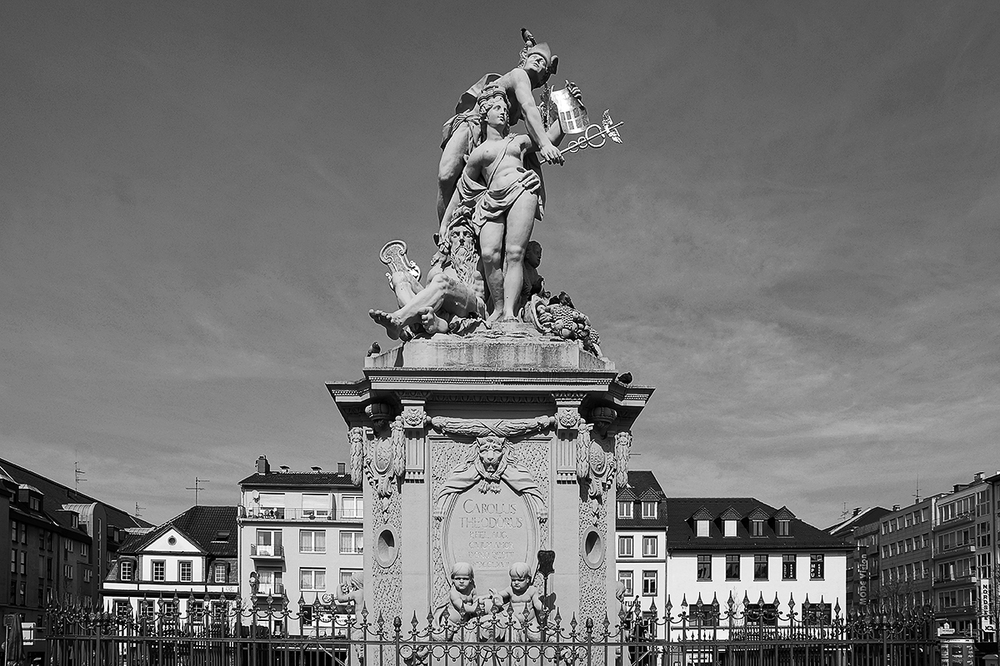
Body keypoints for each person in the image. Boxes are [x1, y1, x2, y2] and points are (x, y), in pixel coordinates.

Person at [458, 87, 566, 321]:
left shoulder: (518, 141)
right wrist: (451, 221)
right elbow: (464, 188)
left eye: (506, 109)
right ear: (485, 114)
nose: (503, 113)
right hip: (490, 200)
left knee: (515, 253)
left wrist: (568, 109)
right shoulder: (479, 153)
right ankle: (497, 307)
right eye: (497, 108)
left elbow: (548, 139)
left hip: (521, 190)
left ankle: (509, 313)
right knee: (489, 255)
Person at [437, 36, 564, 226]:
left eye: (543, 64)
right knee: (446, 176)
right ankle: (446, 231)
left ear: (543, 75)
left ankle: (465, 227)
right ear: (524, 59)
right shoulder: (517, 75)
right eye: (535, 58)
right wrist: (544, 144)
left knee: (477, 187)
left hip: (492, 142)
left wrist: (569, 107)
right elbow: (528, 109)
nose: (538, 63)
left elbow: (546, 135)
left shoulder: (526, 92)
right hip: (470, 126)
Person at [369, 219, 488, 339]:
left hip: (474, 307)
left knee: (441, 280)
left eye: (466, 235)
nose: (461, 239)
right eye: (455, 235)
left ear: (473, 240)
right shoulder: (443, 268)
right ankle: (430, 323)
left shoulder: (482, 261)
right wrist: (440, 261)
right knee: (400, 276)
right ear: (450, 241)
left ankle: (401, 320)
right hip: (445, 310)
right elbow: (429, 296)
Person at [488, 562, 545, 641]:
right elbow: (500, 595)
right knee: (512, 640)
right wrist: (495, 598)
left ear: (528, 579)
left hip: (530, 622)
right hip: (514, 622)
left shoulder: (532, 590)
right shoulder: (510, 590)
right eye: (513, 580)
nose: (516, 583)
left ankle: (553, 640)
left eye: (520, 580)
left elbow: (536, 602)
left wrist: (541, 608)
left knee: (538, 638)